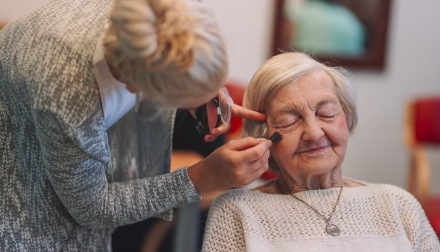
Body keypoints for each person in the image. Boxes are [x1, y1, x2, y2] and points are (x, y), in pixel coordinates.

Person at [0, 0, 272, 250]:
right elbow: (93, 208)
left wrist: (204, 87)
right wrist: (202, 176)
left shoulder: (161, 12)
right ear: (135, 89)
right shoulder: (66, 91)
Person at [201, 52, 440, 251]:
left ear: (347, 118)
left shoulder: (398, 204)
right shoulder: (237, 211)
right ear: (264, 138)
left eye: (326, 113)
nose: (314, 133)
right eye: (288, 120)